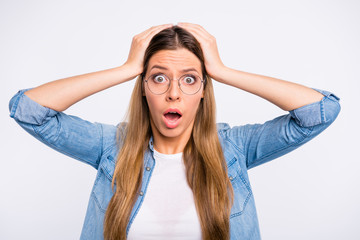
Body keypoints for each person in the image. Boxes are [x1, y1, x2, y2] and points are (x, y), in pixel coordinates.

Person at [8, 22, 341, 240]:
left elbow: (319, 112)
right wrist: (127, 69)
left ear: (204, 91)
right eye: (158, 77)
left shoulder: (235, 148)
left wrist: (222, 71)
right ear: (143, 87)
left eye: (189, 79)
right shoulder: (112, 146)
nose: (174, 93)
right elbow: (28, 110)